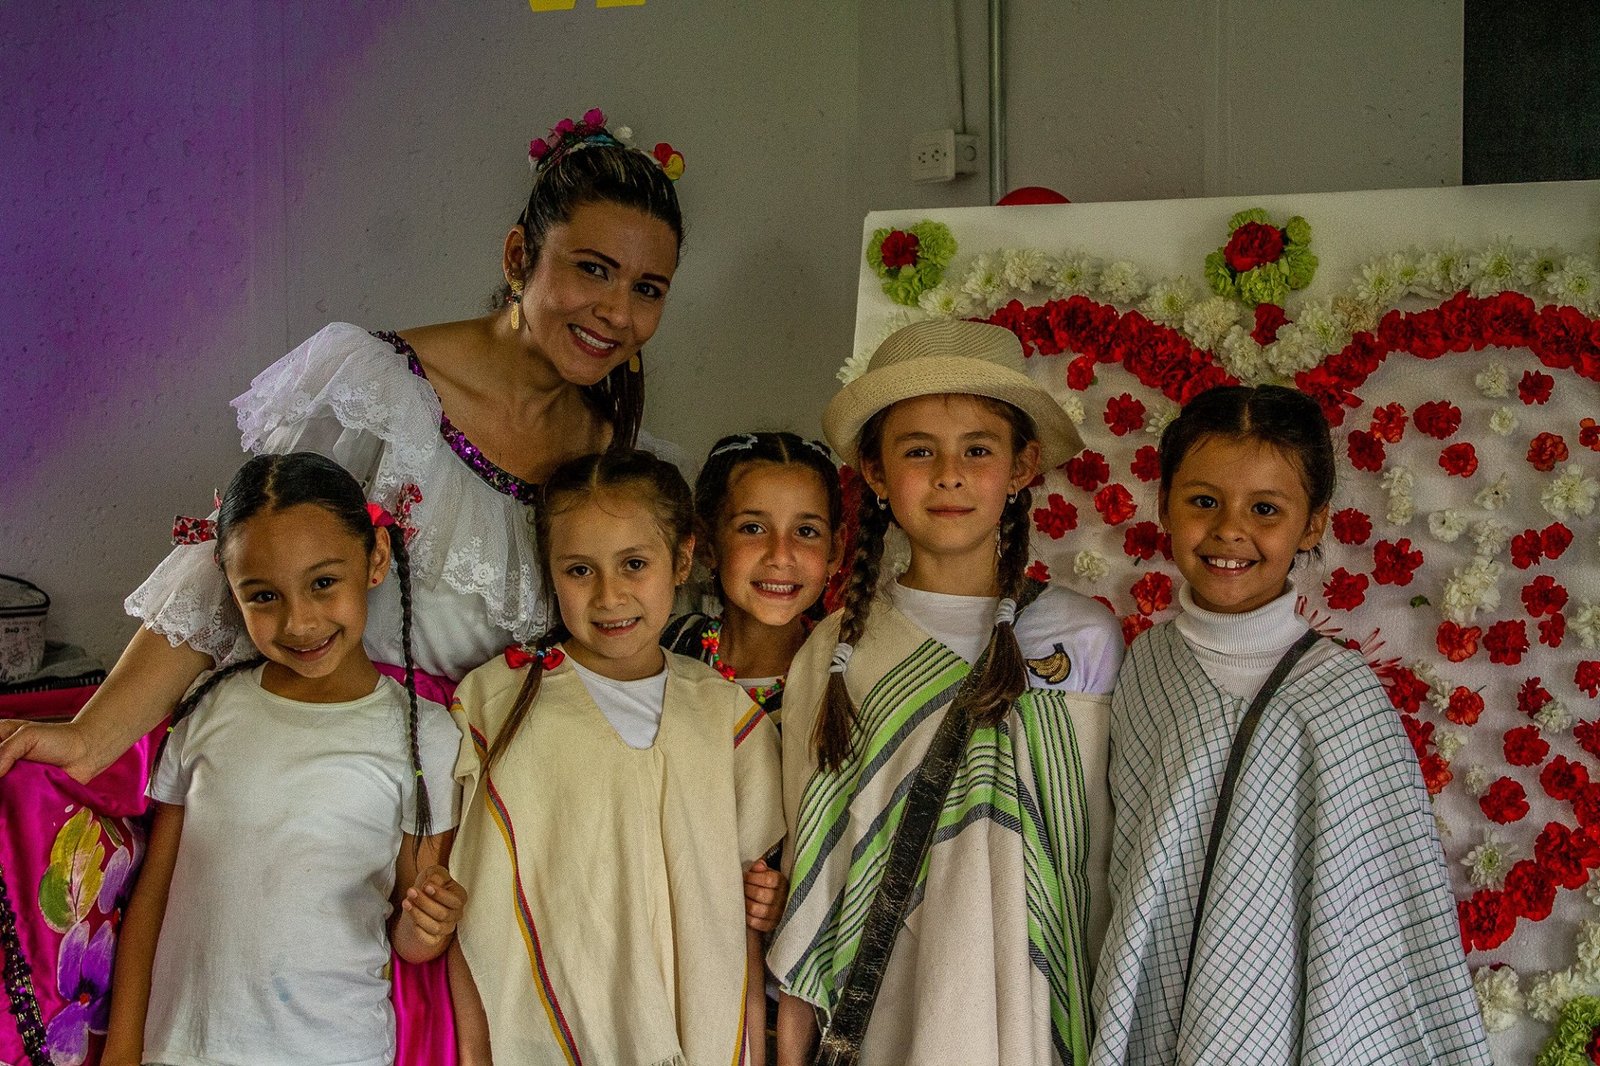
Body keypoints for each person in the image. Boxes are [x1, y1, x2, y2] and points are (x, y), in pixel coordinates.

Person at [0, 108, 704, 1062]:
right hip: (340, 805)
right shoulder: (384, 389)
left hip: (502, 831)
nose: (616, 311)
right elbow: (236, 563)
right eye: (592, 269)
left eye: (647, 288)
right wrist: (92, 737)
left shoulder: (615, 461)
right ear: (518, 256)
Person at [1088, 385, 1492, 1066]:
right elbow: (1125, 862)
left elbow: (1380, 919)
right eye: (1203, 501)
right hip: (1152, 1007)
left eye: (1266, 509)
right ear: (1164, 504)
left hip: (1280, 1024)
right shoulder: (1147, 667)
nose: (1229, 530)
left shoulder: (1341, 699)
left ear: (1312, 525)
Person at [769, 319, 1124, 1066]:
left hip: (1038, 1006)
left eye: (978, 450)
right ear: (875, 472)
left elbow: (1094, 853)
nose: (949, 475)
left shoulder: (1085, 639)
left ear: (1023, 466)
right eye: (919, 450)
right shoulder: (834, 652)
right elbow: (815, 861)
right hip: (889, 1016)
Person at [101, 452, 464, 1066]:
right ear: (231, 587)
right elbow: (152, 897)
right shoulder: (207, 707)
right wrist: (123, 1048)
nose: (299, 622)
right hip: (182, 1049)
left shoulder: (422, 734)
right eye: (264, 596)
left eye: (323, 583)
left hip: (334, 1050)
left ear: (376, 558)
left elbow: (411, 938)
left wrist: (430, 924)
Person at [447, 449, 784, 1066]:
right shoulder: (499, 704)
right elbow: (481, 905)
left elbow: (740, 927)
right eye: (580, 570)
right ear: (550, 571)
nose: (610, 595)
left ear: (681, 559)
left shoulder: (724, 717)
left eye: (634, 564)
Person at [661, 430, 845, 726]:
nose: (781, 556)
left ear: (835, 550)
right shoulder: (667, 647)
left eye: (806, 531)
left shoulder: (844, 672)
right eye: (753, 528)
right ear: (707, 544)